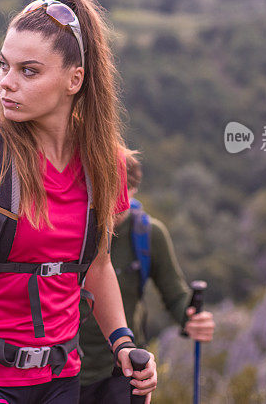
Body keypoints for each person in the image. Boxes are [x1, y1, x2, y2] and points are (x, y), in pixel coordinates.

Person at [0, 0, 158, 404]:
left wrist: (123, 343)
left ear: (75, 79)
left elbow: (97, 267)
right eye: (4, 65)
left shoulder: (106, 165)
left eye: (28, 71)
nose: (6, 83)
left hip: (60, 378)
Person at [78, 152, 215, 404]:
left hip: (124, 367)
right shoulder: (73, 229)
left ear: (133, 191)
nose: (112, 209)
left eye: (120, 201)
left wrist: (192, 318)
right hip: (62, 370)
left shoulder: (149, 235)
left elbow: (175, 296)